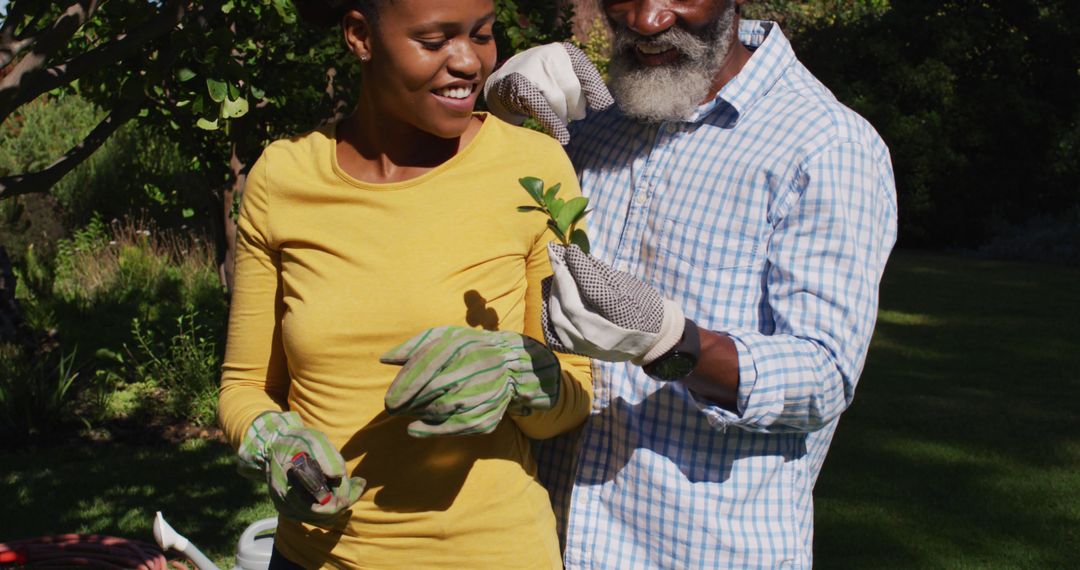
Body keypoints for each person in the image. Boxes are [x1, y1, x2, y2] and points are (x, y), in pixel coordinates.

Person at [483, 0, 898, 567]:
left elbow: (823, 375)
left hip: (695, 550)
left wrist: (670, 343)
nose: (648, 19)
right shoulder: (593, 126)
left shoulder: (826, 145)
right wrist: (487, 123)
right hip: (543, 535)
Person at [217, 0, 592, 567]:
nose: (469, 61)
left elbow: (572, 393)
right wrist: (274, 442)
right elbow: (244, 386)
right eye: (435, 40)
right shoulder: (284, 177)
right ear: (360, 36)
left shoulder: (533, 166)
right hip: (315, 558)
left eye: (483, 34)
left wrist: (516, 371)